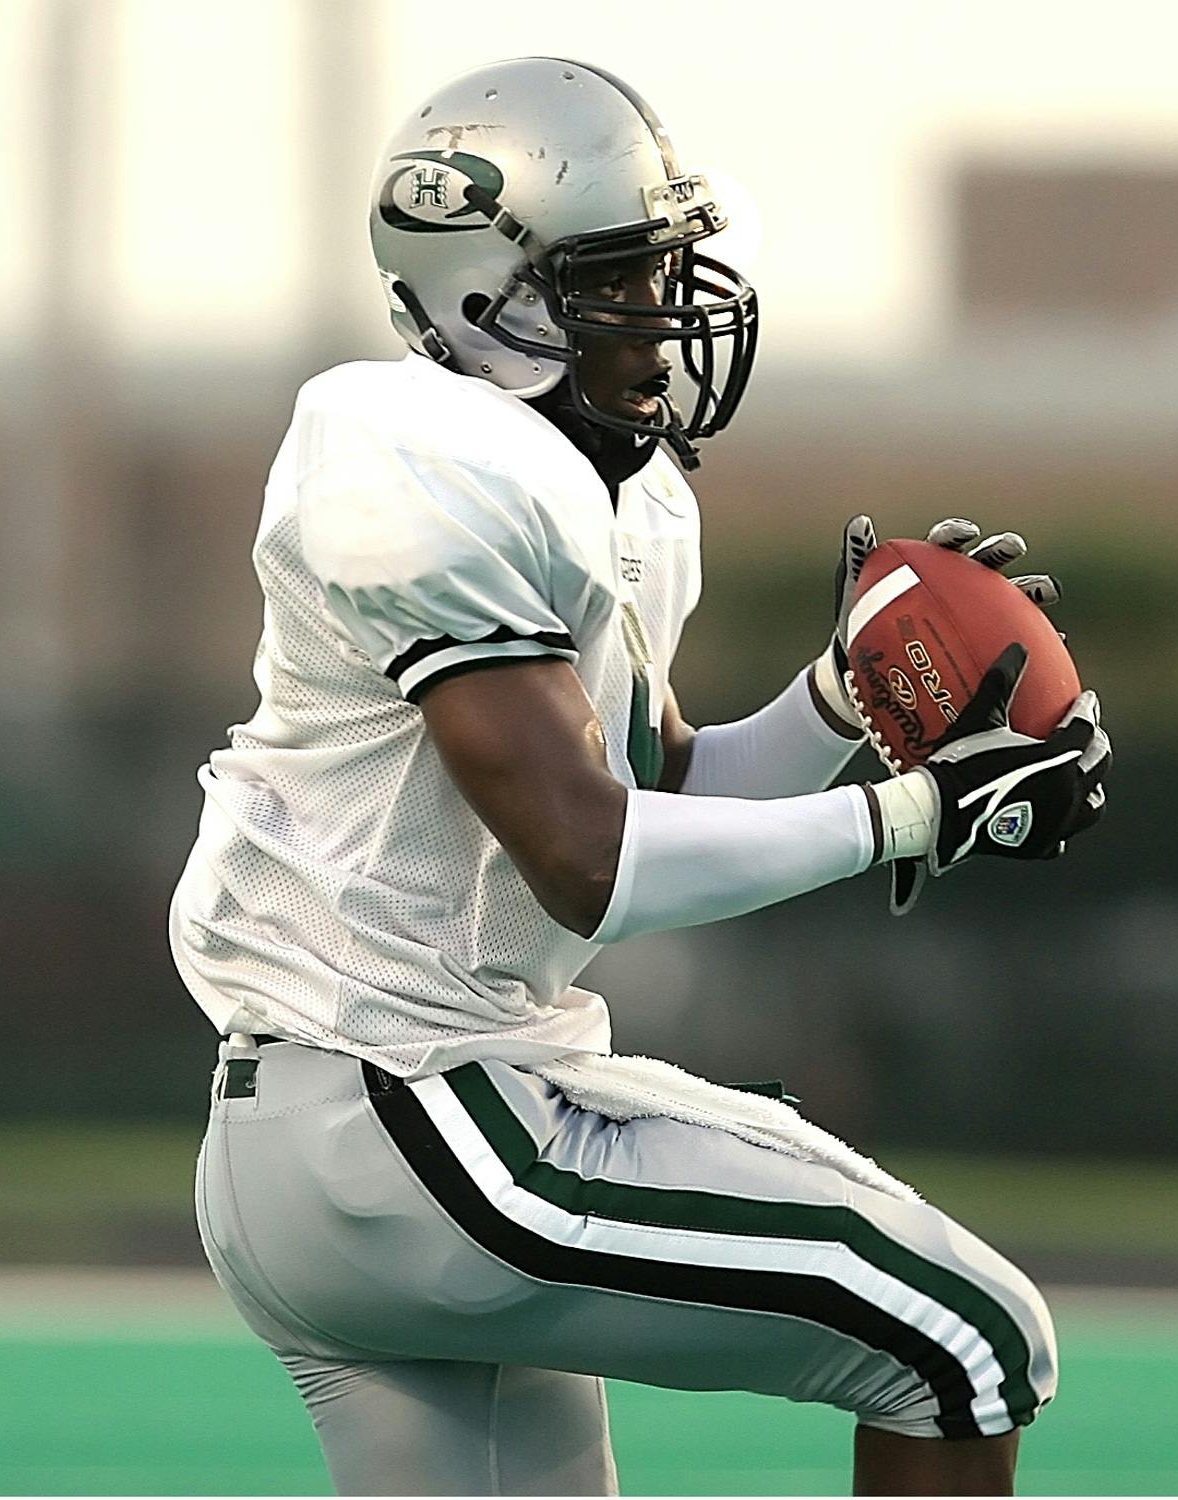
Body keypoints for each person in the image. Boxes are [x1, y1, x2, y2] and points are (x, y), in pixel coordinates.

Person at [170, 58, 1109, 1496]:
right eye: (620, 278)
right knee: (963, 1340)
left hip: (351, 1129)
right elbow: (589, 859)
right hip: (415, 1111)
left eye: (670, 269)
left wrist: (843, 703)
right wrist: (916, 814)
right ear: (491, 300)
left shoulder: (615, 499)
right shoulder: (418, 454)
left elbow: (662, 799)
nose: (665, 319)